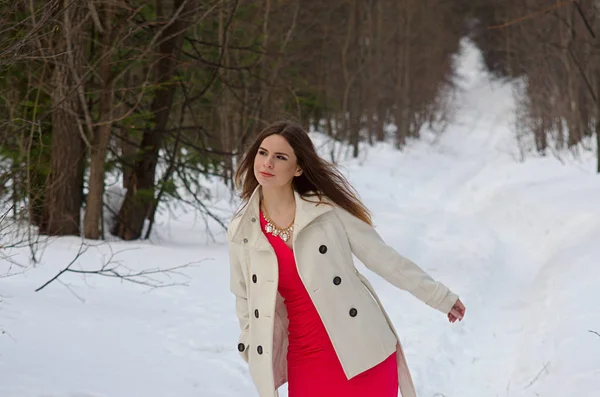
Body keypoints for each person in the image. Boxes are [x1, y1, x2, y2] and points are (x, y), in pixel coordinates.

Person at [227, 121, 466, 397]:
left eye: (280, 157)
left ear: (298, 168)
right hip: (304, 359)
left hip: (360, 349)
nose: (267, 163)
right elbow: (243, 296)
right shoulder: (243, 230)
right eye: (263, 153)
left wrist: (439, 296)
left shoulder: (326, 212)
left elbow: (384, 258)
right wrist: (250, 341)